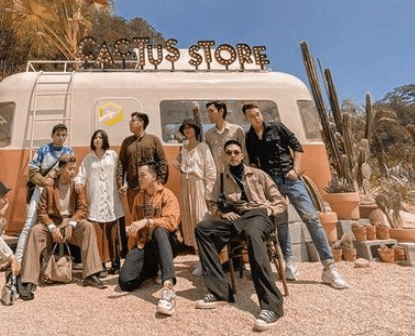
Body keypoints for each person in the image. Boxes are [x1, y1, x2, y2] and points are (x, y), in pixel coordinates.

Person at [242, 103, 348, 290]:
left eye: (257, 114)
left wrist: (296, 169)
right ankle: (290, 263)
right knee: (282, 223)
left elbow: (297, 147)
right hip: (271, 185)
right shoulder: (249, 137)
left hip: (291, 179)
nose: (256, 118)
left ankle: (329, 267)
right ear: (247, 118)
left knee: (311, 218)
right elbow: (253, 164)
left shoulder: (277, 128)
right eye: (252, 116)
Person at [194, 140, 288, 331]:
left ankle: (272, 306)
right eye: (229, 152)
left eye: (236, 152)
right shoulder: (221, 179)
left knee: (252, 233)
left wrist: (268, 211)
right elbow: (212, 203)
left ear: (242, 155)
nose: (233, 156)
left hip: (260, 216)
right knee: (203, 229)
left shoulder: (259, 174)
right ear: (225, 156)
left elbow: (280, 201)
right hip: (237, 218)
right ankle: (220, 292)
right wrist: (222, 213)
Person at [19, 154, 107, 299]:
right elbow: (41, 212)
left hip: (70, 222)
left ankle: (91, 274)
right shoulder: (49, 186)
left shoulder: (77, 186)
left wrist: (72, 223)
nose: (73, 172)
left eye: (74, 169)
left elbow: (82, 208)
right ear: (60, 169)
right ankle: (28, 281)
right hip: (53, 222)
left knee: (88, 227)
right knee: (35, 231)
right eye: (69, 169)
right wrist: (52, 228)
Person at [118, 162, 180, 317]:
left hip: (167, 243)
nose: (139, 179)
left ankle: (168, 287)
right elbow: (134, 228)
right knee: (125, 282)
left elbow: (172, 222)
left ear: (153, 176)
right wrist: (131, 255)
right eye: (139, 176)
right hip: (145, 244)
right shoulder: (138, 198)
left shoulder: (167, 195)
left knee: (159, 231)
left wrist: (148, 222)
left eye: (143, 175)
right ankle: (154, 268)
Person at [14, 123, 74, 264]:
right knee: (29, 223)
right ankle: (18, 260)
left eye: (63, 135)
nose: (61, 138)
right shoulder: (43, 150)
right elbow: (32, 171)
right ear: (52, 135)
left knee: (55, 223)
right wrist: (45, 182)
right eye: (58, 135)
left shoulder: (69, 151)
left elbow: (70, 171)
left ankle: (49, 261)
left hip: (58, 193)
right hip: (40, 190)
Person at [76, 129, 125, 275]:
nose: (98, 140)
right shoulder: (88, 158)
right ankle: (100, 264)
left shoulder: (113, 155)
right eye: (95, 138)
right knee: (98, 233)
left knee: (113, 232)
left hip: (112, 198)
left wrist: (124, 185)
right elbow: (80, 175)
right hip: (96, 199)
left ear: (105, 140)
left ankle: (116, 263)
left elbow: (121, 172)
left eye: (100, 137)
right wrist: (78, 183)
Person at [174, 118, 216, 276]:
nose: (187, 130)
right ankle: (200, 259)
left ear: (196, 130)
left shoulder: (203, 146)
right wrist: (180, 164)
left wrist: (209, 193)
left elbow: (210, 170)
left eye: (190, 127)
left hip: (199, 185)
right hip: (186, 186)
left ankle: (207, 260)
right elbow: (178, 164)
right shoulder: (183, 147)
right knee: (190, 221)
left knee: (200, 220)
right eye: (185, 128)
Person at [117, 112, 169, 212]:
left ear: (141, 123)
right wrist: (121, 184)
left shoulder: (153, 140)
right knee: (136, 216)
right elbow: (121, 165)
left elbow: (163, 162)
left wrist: (160, 182)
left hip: (151, 188)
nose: (130, 123)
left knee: (153, 215)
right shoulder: (126, 142)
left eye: (132, 121)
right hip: (133, 189)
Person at [204, 100, 246, 173]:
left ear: (221, 111)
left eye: (211, 111)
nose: (209, 114)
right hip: (217, 175)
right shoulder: (208, 134)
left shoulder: (237, 130)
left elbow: (244, 154)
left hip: (235, 173)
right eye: (208, 112)